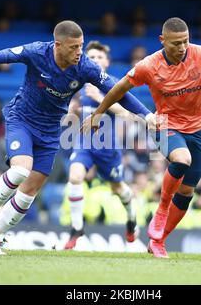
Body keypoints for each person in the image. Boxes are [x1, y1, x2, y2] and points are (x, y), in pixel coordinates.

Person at [0, 20, 152, 254]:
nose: (79, 52)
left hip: (50, 130)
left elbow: (118, 90)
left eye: (81, 46)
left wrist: (147, 114)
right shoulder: (37, 52)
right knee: (21, 170)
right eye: (73, 47)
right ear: (57, 45)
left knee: (31, 189)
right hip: (22, 119)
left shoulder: (85, 67)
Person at [82, 17, 201, 258]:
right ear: (162, 41)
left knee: (188, 191)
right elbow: (119, 88)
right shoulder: (149, 65)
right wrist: (98, 113)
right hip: (164, 124)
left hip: (198, 129)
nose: (182, 48)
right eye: (176, 43)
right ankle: (162, 209)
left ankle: (158, 241)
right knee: (182, 159)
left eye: (185, 42)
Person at [65, 41, 139, 249]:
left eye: (100, 57)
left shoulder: (114, 85)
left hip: (108, 147)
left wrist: (100, 98)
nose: (96, 61)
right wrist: (73, 111)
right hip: (85, 143)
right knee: (75, 176)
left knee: (118, 188)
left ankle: (132, 218)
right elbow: (72, 114)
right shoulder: (79, 85)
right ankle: (76, 228)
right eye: (92, 58)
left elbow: (126, 114)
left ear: (107, 62)